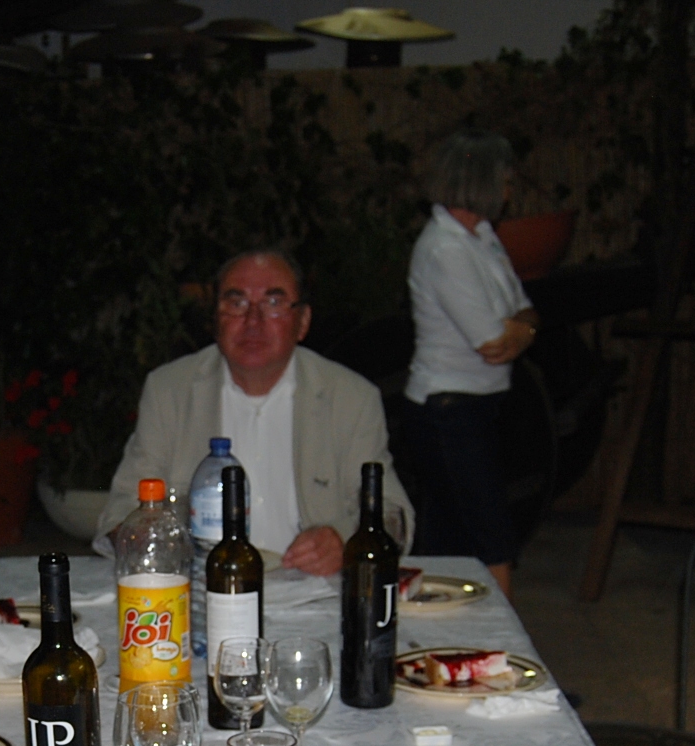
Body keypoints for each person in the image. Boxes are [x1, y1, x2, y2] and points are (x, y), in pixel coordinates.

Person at [92, 248, 410, 576]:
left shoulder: (350, 398)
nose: (253, 321)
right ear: (215, 319)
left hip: (311, 586)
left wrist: (343, 541)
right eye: (237, 303)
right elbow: (123, 510)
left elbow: (392, 515)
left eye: (273, 303)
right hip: (200, 587)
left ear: (302, 322)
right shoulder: (170, 390)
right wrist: (148, 540)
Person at [398, 128, 539, 596]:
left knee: (449, 538)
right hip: (447, 408)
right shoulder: (445, 248)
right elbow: (492, 341)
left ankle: (446, 626)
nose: (509, 190)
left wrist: (524, 327)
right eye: (505, 180)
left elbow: (526, 310)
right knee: (491, 536)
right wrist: (520, 330)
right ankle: (504, 632)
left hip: (476, 404)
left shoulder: (481, 237)